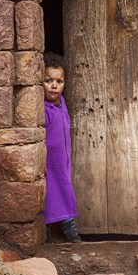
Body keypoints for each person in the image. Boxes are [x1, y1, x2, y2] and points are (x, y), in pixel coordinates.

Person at [42, 52, 81, 244]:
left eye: (59, 81)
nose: (54, 85)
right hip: (49, 163)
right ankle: (45, 230)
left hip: (62, 162)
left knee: (65, 190)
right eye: (48, 80)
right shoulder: (43, 109)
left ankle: (69, 227)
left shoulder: (61, 103)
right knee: (48, 195)